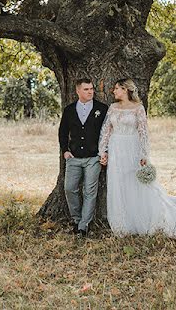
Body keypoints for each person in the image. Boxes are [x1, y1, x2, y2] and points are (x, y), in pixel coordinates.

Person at [99, 78, 176, 241]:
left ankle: (143, 219)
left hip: (132, 148)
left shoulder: (138, 108)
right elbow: (106, 131)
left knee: (137, 185)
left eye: (117, 88)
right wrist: (103, 151)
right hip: (116, 149)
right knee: (118, 185)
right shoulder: (113, 108)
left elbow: (143, 133)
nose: (114, 91)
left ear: (125, 90)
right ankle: (122, 223)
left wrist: (144, 155)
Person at [58, 78, 109, 237]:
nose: (90, 92)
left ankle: (83, 226)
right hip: (73, 158)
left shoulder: (102, 109)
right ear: (78, 91)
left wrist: (104, 151)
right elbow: (62, 132)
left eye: (92, 89)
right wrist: (65, 151)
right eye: (86, 89)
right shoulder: (69, 110)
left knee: (90, 192)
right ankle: (76, 218)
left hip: (93, 158)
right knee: (69, 188)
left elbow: (106, 133)